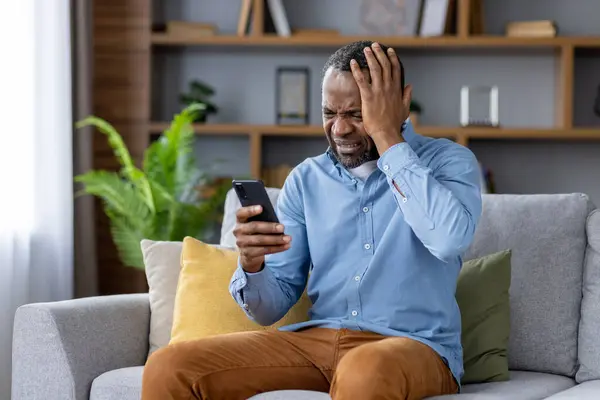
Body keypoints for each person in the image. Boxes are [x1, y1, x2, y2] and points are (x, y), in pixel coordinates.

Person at [142, 40, 483, 400]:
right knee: (170, 366)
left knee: (364, 369)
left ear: (401, 101)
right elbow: (271, 307)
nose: (339, 130)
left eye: (356, 114)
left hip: (412, 347)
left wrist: (386, 136)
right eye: (329, 113)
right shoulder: (306, 180)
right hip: (316, 342)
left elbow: (448, 240)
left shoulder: (448, 162)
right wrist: (252, 265)